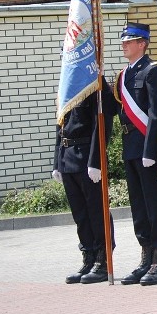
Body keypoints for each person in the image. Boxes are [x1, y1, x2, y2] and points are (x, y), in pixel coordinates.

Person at [115, 22, 157, 286]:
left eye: (130, 41)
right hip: (131, 146)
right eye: (124, 41)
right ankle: (146, 257)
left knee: (153, 205)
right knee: (138, 207)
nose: (125, 44)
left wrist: (151, 149)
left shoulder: (152, 71)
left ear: (142, 43)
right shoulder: (123, 75)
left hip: (146, 148)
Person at [53, 78, 118, 284]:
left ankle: (102, 260)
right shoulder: (68, 85)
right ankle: (88, 256)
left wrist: (96, 161)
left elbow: (102, 123)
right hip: (68, 157)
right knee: (80, 215)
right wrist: (57, 162)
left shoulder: (95, 84)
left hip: (86, 157)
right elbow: (60, 125)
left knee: (96, 210)